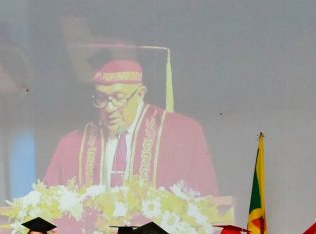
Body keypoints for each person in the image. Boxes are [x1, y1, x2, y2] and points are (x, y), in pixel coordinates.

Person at [43, 59, 217, 195]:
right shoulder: (72, 145)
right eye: (101, 98)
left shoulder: (182, 134)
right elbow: (48, 206)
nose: (108, 108)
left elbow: (207, 205)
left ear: (140, 94)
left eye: (118, 98)